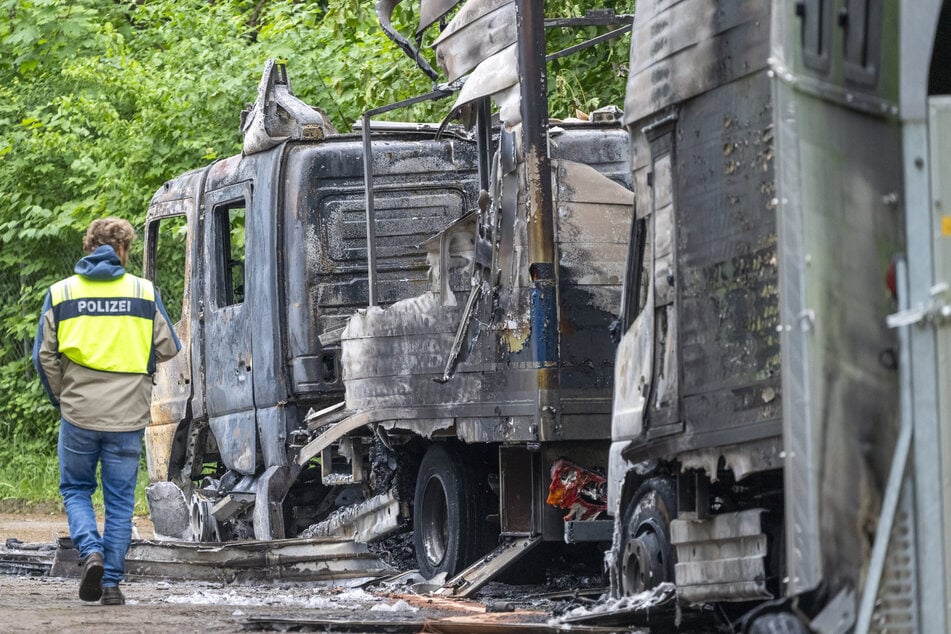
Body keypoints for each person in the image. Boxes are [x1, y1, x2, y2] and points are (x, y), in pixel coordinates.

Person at [33, 217, 181, 605]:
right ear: (123, 250)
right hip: (128, 415)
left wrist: (63, 396)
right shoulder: (143, 292)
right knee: (118, 501)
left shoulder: (62, 293)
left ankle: (90, 552)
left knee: (76, 489)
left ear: (89, 245)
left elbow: (43, 356)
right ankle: (112, 584)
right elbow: (169, 347)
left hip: (79, 411)